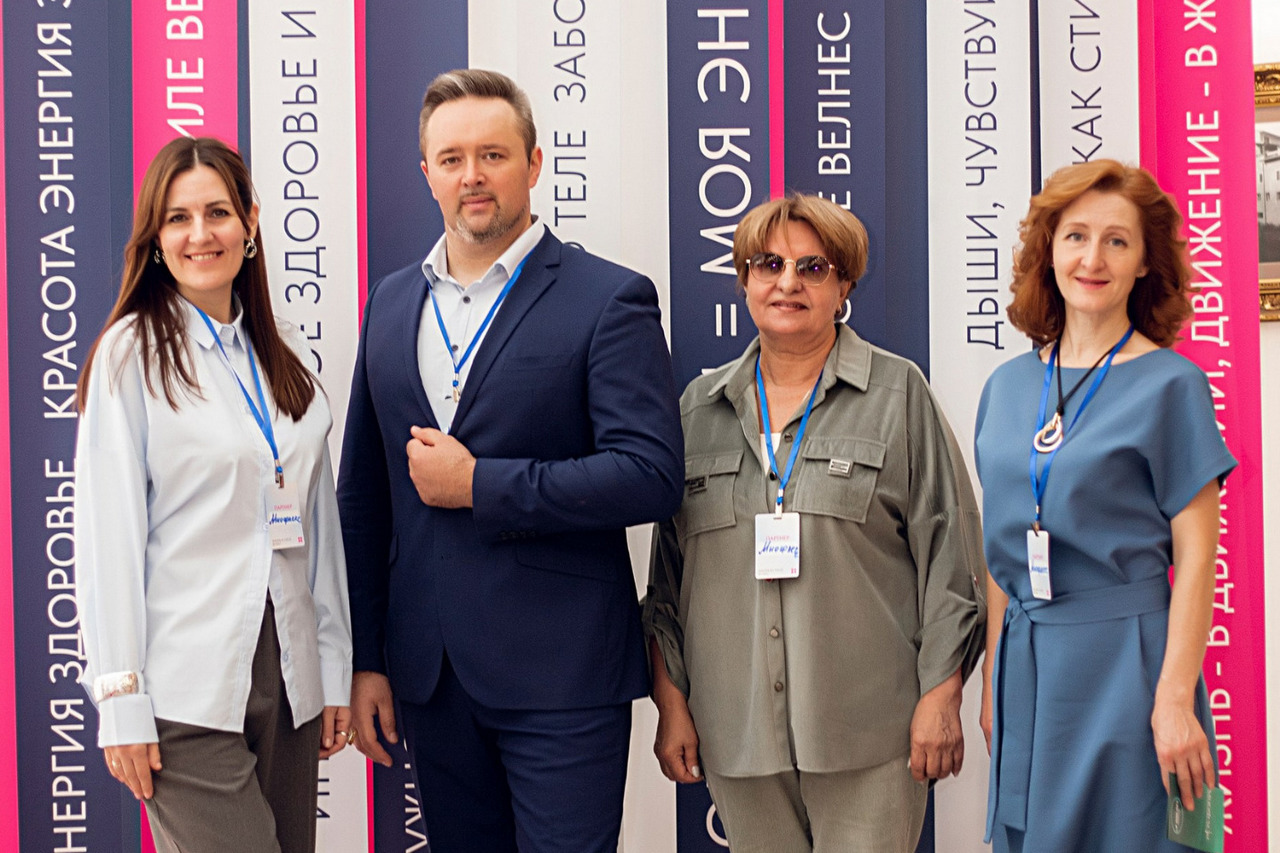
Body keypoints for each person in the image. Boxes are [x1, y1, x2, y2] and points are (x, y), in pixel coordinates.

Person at [337, 68, 683, 853]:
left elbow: (652, 473)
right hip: (431, 675)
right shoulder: (389, 303)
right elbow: (364, 496)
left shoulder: (608, 298)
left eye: (492, 155)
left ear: (533, 164)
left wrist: (481, 485)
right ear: (427, 173)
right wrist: (366, 658)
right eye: (451, 159)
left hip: (562, 675)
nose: (473, 175)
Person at [644, 194, 987, 853]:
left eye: (813, 267)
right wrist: (671, 700)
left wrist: (942, 697)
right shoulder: (696, 410)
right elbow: (668, 580)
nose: (788, 282)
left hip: (872, 735)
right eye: (768, 264)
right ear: (744, 279)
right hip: (737, 733)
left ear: (844, 285)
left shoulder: (898, 394)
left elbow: (954, 559)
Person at [74, 136, 353, 853]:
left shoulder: (284, 356)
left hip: (289, 679)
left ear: (250, 223)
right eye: (178, 218)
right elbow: (107, 540)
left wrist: (332, 669)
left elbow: (318, 528)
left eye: (218, 212)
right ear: (156, 239)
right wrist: (120, 698)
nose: (201, 234)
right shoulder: (131, 355)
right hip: (185, 687)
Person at [976, 159, 1235, 852]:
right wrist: (994, 674)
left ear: (1144, 261)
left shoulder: (1172, 385)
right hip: (1028, 667)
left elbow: (1198, 559)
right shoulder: (1005, 386)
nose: (1092, 259)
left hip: (1128, 667)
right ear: (1049, 250)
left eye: (1116, 241)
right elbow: (1001, 552)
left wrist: (1175, 697)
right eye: (1076, 236)